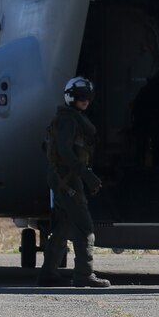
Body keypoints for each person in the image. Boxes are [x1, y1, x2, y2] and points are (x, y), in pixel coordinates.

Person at [37, 77, 110, 288]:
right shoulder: (68, 121)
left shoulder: (65, 119)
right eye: (80, 98)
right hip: (68, 180)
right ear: (72, 98)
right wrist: (86, 175)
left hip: (62, 179)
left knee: (62, 226)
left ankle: (48, 273)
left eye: (87, 98)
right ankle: (83, 274)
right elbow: (64, 152)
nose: (85, 101)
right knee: (84, 226)